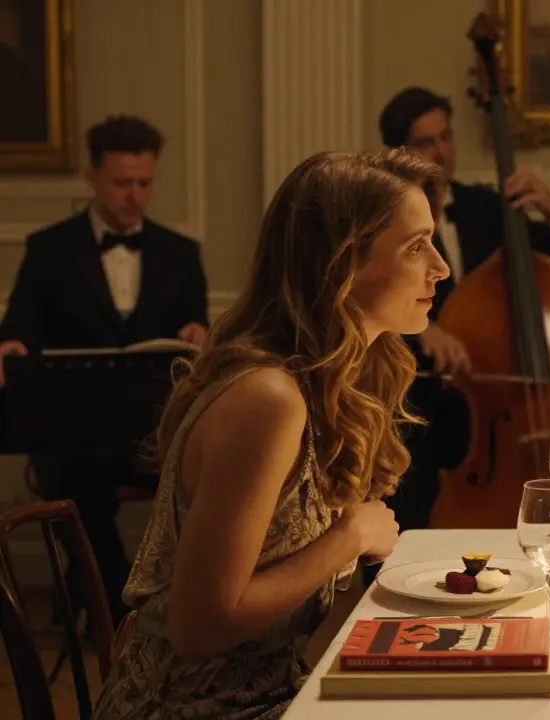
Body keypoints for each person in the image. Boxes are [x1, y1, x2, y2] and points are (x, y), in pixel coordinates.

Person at [93, 148, 451, 718]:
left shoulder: (335, 385)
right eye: (415, 247)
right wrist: (349, 539)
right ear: (341, 264)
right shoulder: (269, 399)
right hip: (196, 707)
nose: (440, 266)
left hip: (280, 690)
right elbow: (199, 628)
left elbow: (313, 625)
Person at [0, 115, 209, 626]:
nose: (134, 196)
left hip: (153, 430)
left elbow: (198, 329)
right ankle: (121, 616)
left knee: (204, 476)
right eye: (121, 183)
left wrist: (201, 335)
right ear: (93, 177)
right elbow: (19, 330)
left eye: (144, 183)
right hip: (75, 434)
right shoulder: (50, 249)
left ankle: (166, 605)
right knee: (77, 488)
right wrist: (7, 344)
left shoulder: (180, 254)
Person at [365, 87, 550, 568]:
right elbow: (360, 293)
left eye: (446, 136)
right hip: (417, 397)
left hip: (495, 398)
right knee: (411, 515)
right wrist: (422, 329)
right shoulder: (381, 216)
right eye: (426, 143)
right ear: (399, 153)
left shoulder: (486, 208)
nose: (441, 151)